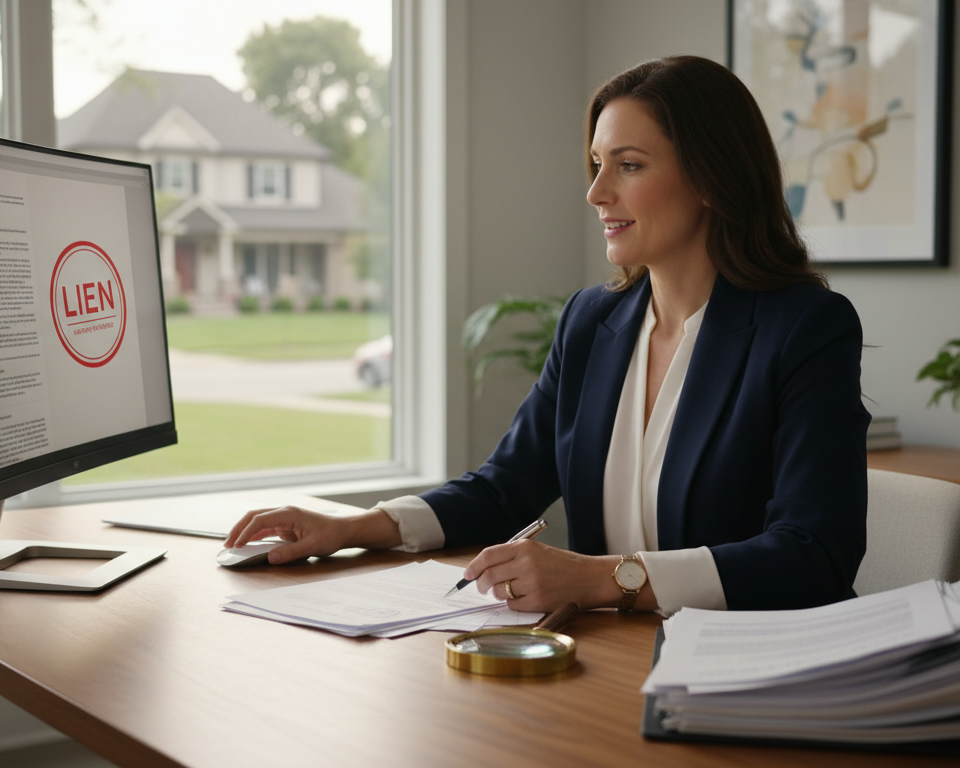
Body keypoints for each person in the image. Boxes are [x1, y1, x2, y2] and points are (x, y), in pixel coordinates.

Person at [226, 55, 870, 615]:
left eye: (629, 165)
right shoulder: (592, 323)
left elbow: (814, 555)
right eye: (596, 164)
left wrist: (603, 578)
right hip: (615, 664)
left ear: (710, 178)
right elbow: (504, 489)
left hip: (749, 671)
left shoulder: (804, 328)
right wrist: (349, 527)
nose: (596, 192)